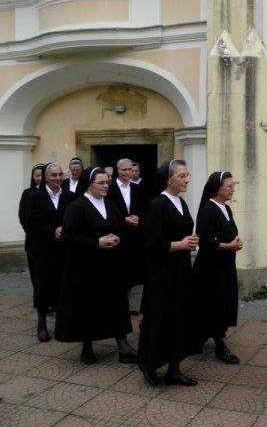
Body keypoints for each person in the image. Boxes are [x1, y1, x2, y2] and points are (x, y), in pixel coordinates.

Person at [55, 167, 137, 364]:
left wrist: (118, 237)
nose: (105, 186)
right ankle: (87, 347)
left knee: (117, 304)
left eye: (107, 182)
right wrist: (96, 243)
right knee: (88, 307)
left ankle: (123, 346)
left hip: (110, 266)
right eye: (101, 183)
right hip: (86, 268)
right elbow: (69, 237)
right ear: (89, 185)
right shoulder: (77, 207)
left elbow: (122, 229)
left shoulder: (110, 205)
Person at [137, 160, 201, 386]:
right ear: (168, 179)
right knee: (159, 318)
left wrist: (190, 242)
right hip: (161, 273)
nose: (187, 180)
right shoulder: (157, 204)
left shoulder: (181, 204)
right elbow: (152, 244)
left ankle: (174, 368)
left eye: (187, 175)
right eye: (182, 176)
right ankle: (149, 363)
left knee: (179, 318)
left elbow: (183, 234)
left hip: (181, 270)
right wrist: (180, 244)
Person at [193, 171, 243, 365]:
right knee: (212, 303)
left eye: (233, 185)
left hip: (225, 266)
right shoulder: (208, 210)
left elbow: (229, 232)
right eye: (229, 186)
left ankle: (207, 335)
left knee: (222, 301)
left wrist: (236, 240)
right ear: (217, 189)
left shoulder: (226, 209)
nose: (233, 189)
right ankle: (219, 343)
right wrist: (229, 246)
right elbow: (205, 241)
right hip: (210, 268)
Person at [25, 163, 73, 342]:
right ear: (46, 177)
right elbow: (31, 223)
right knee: (43, 285)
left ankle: (62, 323)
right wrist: (52, 231)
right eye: (54, 175)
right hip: (43, 249)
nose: (58, 178)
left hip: (64, 249)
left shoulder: (70, 196)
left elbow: (74, 218)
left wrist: (66, 229)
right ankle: (42, 323)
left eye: (60, 174)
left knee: (63, 285)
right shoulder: (34, 197)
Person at [106, 158, 145, 314]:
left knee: (129, 273)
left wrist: (138, 217)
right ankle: (114, 305)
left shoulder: (137, 189)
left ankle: (126, 306)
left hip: (133, 236)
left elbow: (143, 207)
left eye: (130, 170)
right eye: (124, 170)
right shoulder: (109, 188)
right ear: (118, 170)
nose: (127, 173)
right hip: (116, 234)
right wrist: (123, 219)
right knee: (116, 272)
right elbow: (107, 210)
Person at [18, 163, 45, 291]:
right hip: (33, 239)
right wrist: (32, 233)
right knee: (35, 270)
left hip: (49, 238)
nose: (39, 178)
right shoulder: (27, 193)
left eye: (41, 175)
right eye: (37, 175)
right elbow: (22, 216)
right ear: (32, 177)